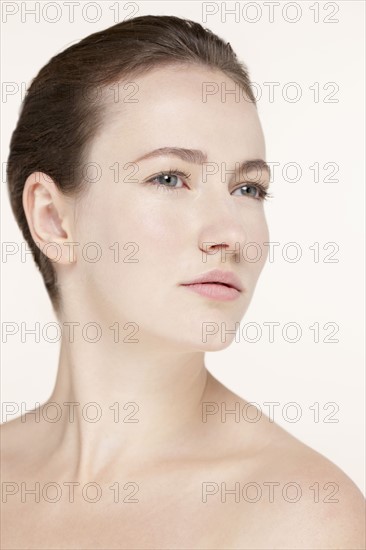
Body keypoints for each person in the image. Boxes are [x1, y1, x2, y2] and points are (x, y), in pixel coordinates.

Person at [1, 14, 365, 550]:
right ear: (54, 219)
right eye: (169, 178)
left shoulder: (300, 516)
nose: (229, 234)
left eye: (248, 188)